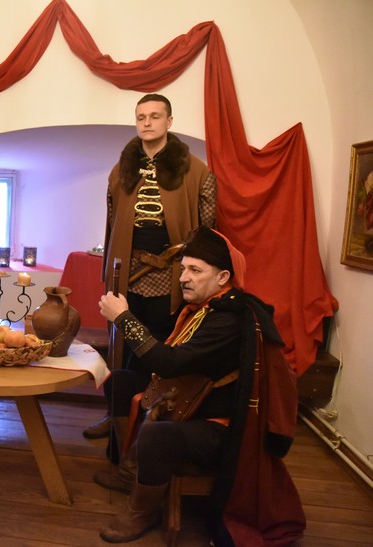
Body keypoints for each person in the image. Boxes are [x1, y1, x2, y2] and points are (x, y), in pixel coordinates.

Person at [95, 227, 305, 544]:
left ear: (223, 277)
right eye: (183, 269)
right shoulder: (203, 308)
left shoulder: (229, 319)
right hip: (187, 401)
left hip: (217, 426)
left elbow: (169, 363)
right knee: (120, 380)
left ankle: (142, 511)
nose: (184, 278)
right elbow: (166, 354)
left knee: (156, 434)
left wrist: (124, 319)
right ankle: (132, 471)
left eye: (195, 270)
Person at [84, 93, 217, 444]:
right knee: (122, 348)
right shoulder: (121, 170)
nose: (147, 122)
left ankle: (151, 420)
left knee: (160, 347)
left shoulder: (196, 170)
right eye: (141, 116)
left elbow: (207, 229)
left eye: (155, 116)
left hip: (172, 274)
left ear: (169, 122)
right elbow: (112, 223)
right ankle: (116, 416)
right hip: (128, 272)